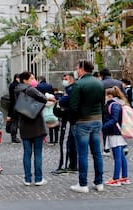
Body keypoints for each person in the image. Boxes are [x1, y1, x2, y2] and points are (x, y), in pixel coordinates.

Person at [69, 60, 104, 193]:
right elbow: (102, 104)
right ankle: (99, 182)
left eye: (77, 68)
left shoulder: (78, 84)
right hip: (97, 120)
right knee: (97, 153)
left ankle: (83, 184)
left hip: (83, 122)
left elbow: (73, 106)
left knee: (83, 154)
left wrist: (73, 121)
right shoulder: (99, 82)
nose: (76, 70)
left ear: (82, 69)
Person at [15, 72, 48, 186]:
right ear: (25, 80)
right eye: (32, 78)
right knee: (37, 153)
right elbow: (44, 99)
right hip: (36, 124)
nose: (34, 80)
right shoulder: (30, 89)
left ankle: (27, 179)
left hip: (24, 125)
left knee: (27, 154)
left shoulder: (17, 90)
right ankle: (38, 179)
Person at [103, 87, 131, 186]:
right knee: (121, 156)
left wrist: (103, 127)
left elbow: (114, 119)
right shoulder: (119, 103)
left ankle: (116, 179)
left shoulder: (113, 105)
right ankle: (124, 177)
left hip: (114, 133)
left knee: (117, 157)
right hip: (118, 132)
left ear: (110, 96)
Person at [52, 73, 77, 175]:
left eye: (66, 79)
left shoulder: (71, 89)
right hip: (73, 119)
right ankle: (73, 165)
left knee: (65, 142)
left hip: (68, 118)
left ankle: (64, 165)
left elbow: (64, 101)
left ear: (71, 79)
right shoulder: (73, 89)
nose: (64, 81)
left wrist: (60, 101)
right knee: (72, 143)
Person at [99, 68, 125, 156]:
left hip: (105, 108)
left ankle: (106, 148)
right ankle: (122, 144)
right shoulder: (118, 83)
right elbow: (123, 95)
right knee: (119, 125)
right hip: (118, 106)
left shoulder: (101, 83)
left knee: (106, 126)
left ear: (101, 75)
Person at [7, 74, 21, 143]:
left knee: (14, 121)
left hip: (12, 106)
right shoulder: (17, 86)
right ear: (17, 78)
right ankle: (14, 137)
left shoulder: (12, 85)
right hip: (16, 106)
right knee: (15, 122)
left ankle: (14, 137)